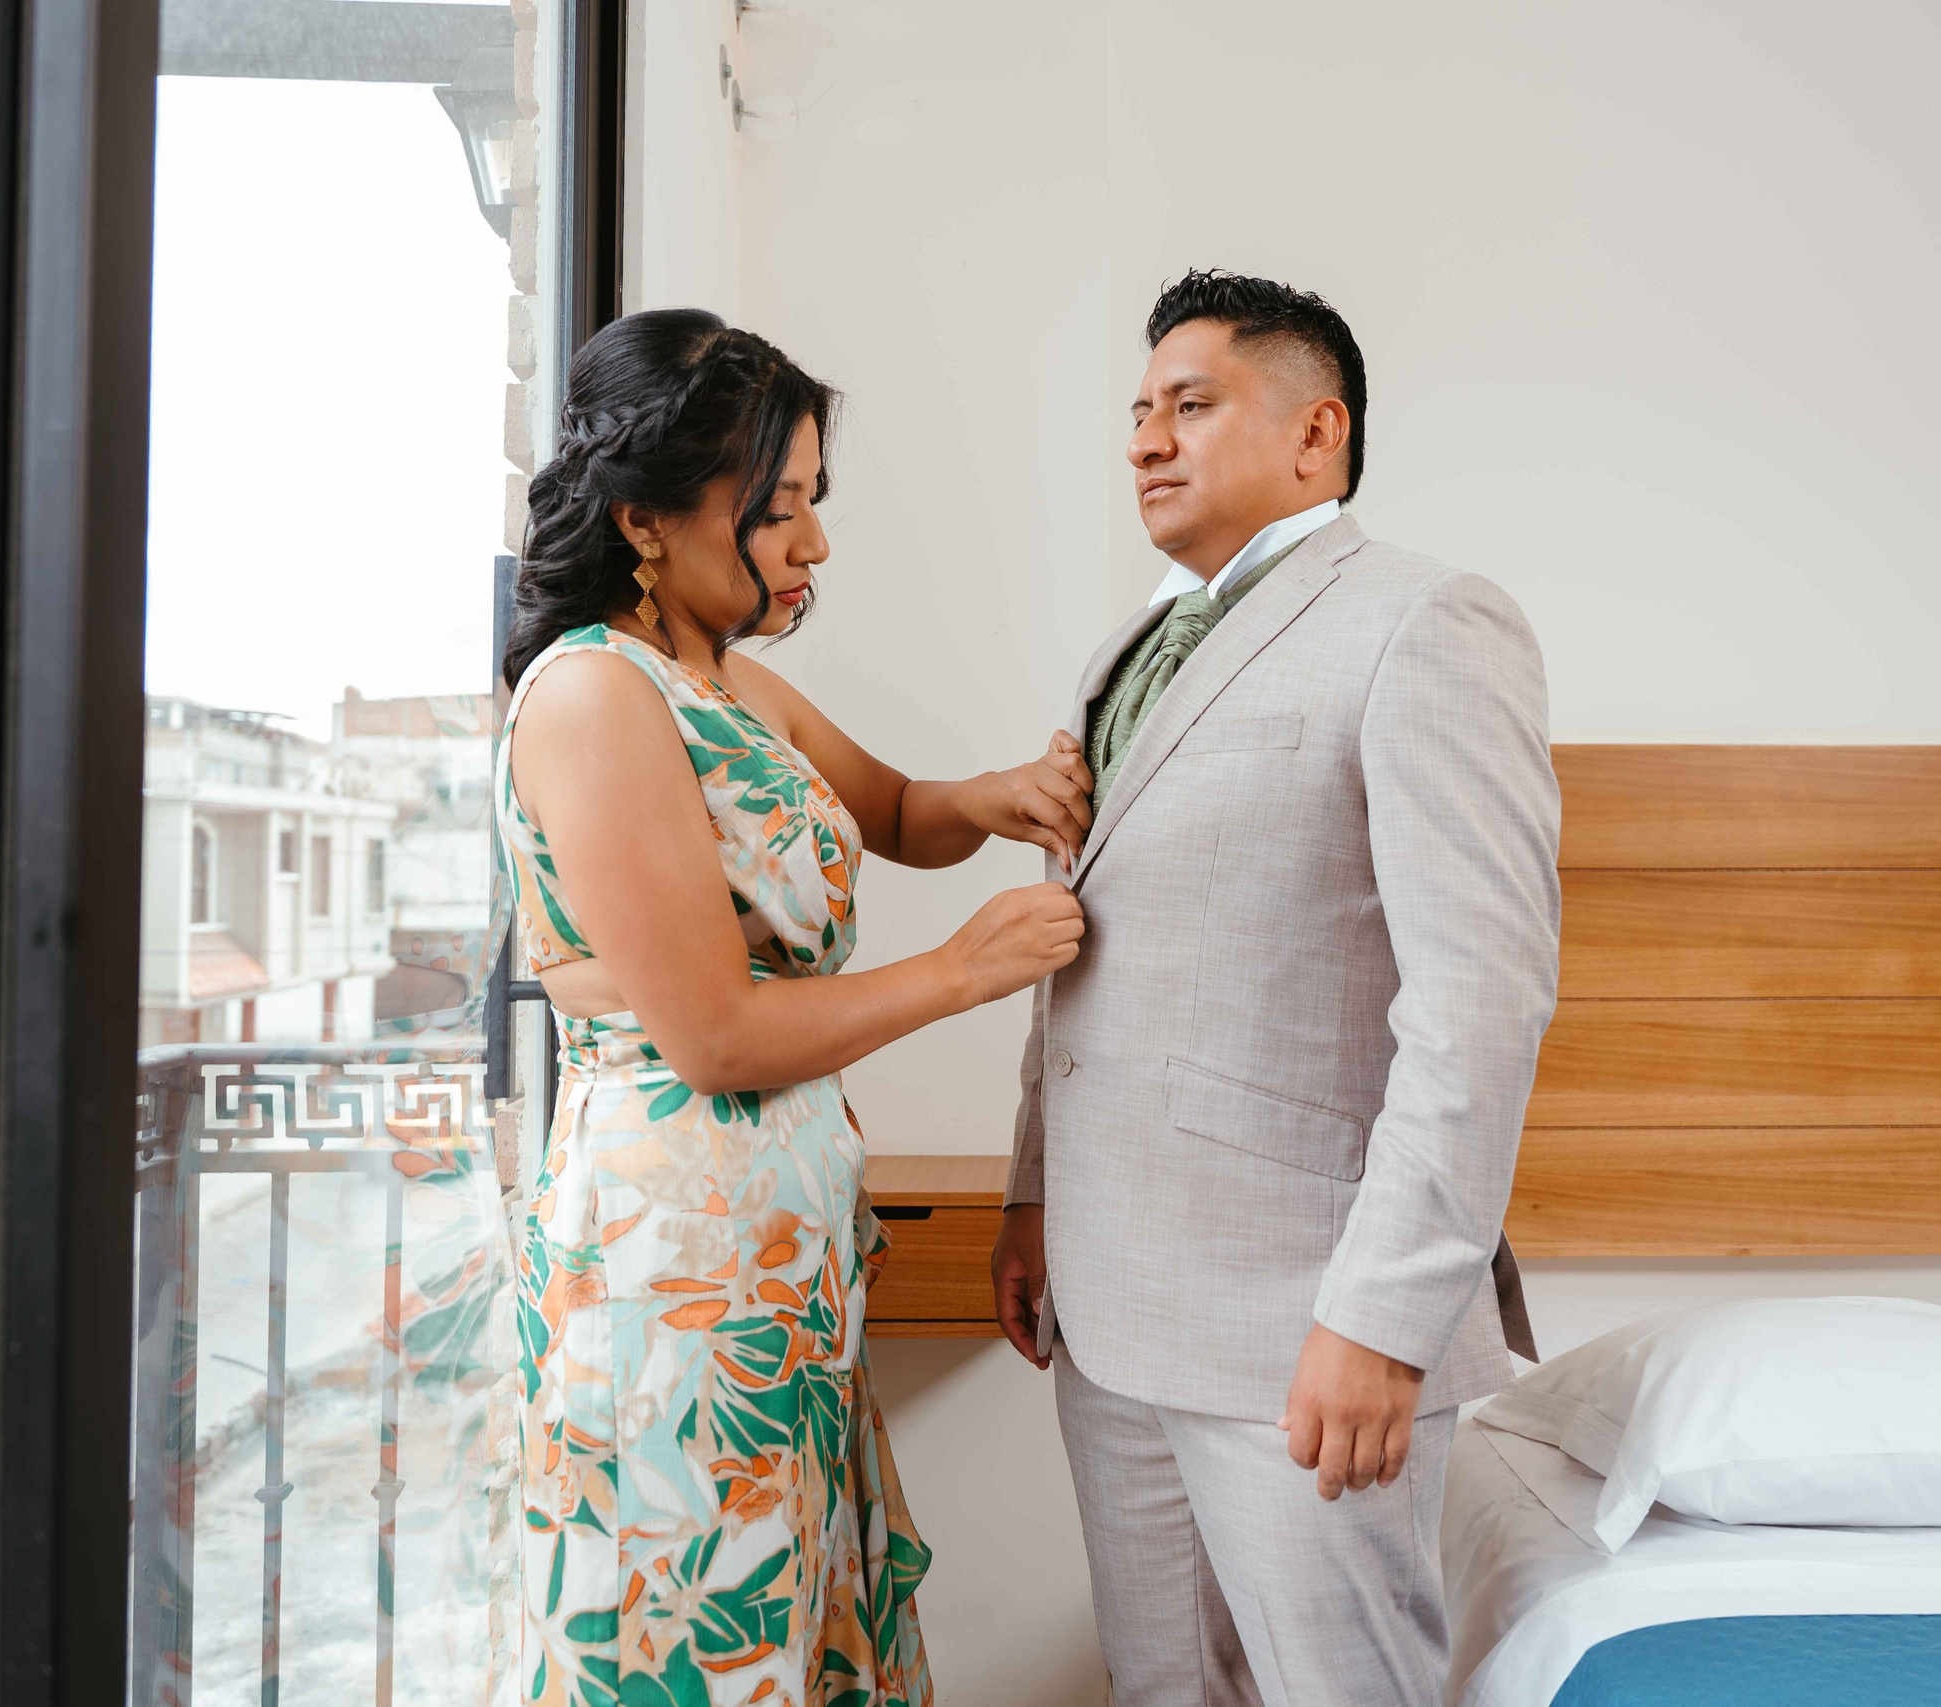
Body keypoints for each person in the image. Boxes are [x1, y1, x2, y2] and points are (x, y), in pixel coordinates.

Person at [498, 307, 1089, 1707]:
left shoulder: (727, 685)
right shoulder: (595, 696)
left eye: (815, 502)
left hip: (773, 1255)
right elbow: (714, 1038)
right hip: (674, 1269)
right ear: (645, 519)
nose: (812, 543)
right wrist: (962, 972)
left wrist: (998, 799)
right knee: (695, 1634)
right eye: (775, 511)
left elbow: (890, 811)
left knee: (790, 1623)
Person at [990, 270, 1561, 1705]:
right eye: (1136, 414)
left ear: (1318, 436)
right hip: (1109, 1306)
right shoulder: (1128, 647)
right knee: (1161, 1687)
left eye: (1191, 406)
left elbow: (1478, 999)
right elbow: (1089, 942)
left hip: (1302, 1318)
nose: (1146, 442)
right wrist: (1030, 1194)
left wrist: (1383, 1317)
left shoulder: (1425, 624)